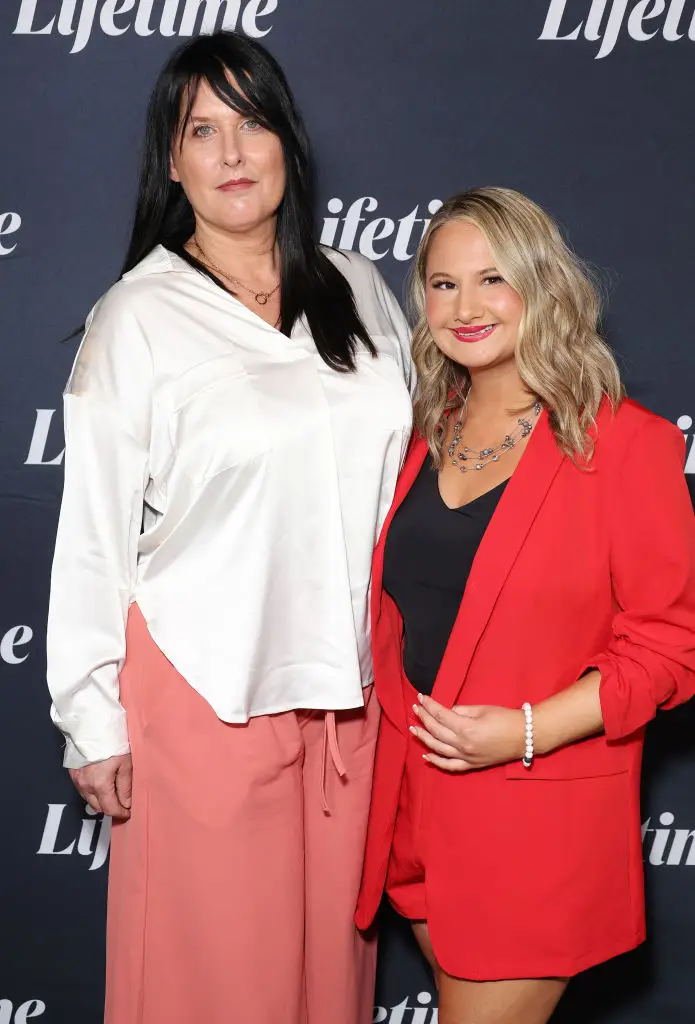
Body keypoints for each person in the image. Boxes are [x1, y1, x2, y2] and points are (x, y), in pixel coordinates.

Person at [46, 32, 414, 1024]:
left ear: (287, 140)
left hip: (349, 696)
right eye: (201, 131)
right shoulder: (137, 315)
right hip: (205, 685)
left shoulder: (356, 285)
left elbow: (418, 472)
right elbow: (93, 531)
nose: (233, 152)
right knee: (212, 985)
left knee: (330, 985)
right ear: (171, 161)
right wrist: (91, 717)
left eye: (251, 123)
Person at [355, 187, 695, 1024]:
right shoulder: (416, 431)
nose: (465, 307)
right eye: (443, 284)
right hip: (411, 815)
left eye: (492, 279)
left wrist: (526, 730)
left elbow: (671, 644)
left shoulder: (626, 443)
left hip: (533, 820)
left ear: (541, 285)